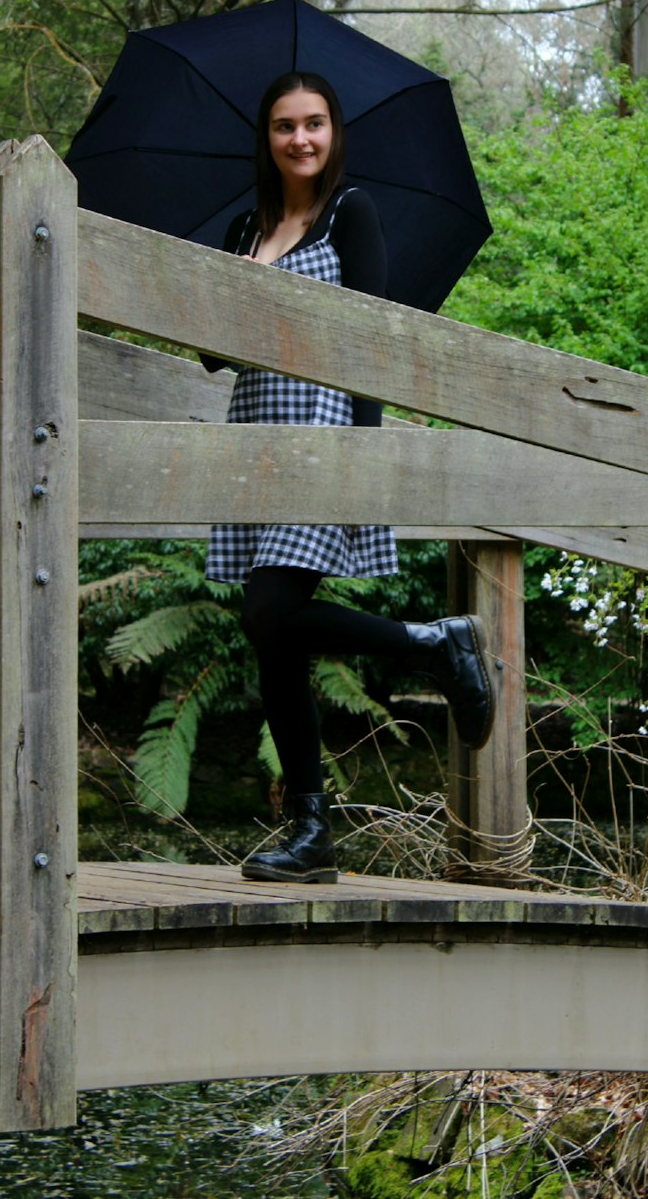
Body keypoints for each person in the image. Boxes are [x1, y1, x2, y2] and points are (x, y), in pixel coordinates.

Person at [203, 70, 494, 885]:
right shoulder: (240, 230)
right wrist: (233, 283)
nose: (301, 139)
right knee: (271, 625)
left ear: (334, 133)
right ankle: (312, 831)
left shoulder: (349, 213)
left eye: (315, 124)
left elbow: (371, 340)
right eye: (285, 126)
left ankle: (429, 646)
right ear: (266, 138)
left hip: (324, 439)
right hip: (254, 445)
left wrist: (365, 459)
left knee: (269, 608)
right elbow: (212, 352)